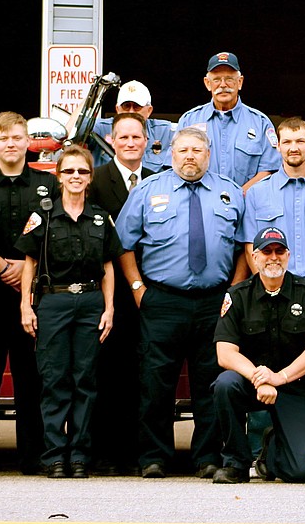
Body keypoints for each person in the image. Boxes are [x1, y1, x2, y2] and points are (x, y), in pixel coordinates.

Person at [116, 126, 245, 479]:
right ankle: (154, 457)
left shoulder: (229, 193)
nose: (190, 156)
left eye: (197, 151)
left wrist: (232, 293)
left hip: (213, 302)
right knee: (156, 383)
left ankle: (206, 457)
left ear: (208, 154)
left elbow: (243, 249)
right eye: (183, 150)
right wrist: (138, 289)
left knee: (209, 382)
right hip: (162, 300)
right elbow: (123, 245)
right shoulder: (147, 191)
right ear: (171, 154)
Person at [16, 146, 119, 478]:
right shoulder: (42, 215)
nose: (76, 177)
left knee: (85, 381)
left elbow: (108, 266)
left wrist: (110, 308)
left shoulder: (101, 218)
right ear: (59, 177)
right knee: (54, 380)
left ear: (90, 178)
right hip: (54, 303)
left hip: (90, 302)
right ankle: (54, 456)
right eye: (70, 171)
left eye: (83, 172)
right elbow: (29, 264)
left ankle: (79, 456)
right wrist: (26, 306)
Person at [211, 227, 305, 484]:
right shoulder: (237, 296)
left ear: (288, 255)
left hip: (295, 386)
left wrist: (279, 377)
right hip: (251, 384)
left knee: (299, 472)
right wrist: (259, 378)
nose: (273, 257)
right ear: (254, 257)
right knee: (225, 385)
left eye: (279, 251)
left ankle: (271, 449)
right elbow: (224, 352)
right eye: (266, 251)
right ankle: (236, 462)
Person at [0, 112, 56, 475]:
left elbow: (55, 234)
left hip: (32, 297)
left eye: (18, 137)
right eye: (3, 138)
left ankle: (33, 456)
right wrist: (5, 266)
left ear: (27, 142)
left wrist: (27, 268)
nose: (11, 144)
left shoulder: (47, 184)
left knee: (32, 378)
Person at [87, 111, 156, 475]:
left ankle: (135, 452)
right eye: (123, 137)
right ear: (112, 141)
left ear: (146, 142)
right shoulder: (96, 181)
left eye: (136, 137)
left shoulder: (160, 181)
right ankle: (105, 453)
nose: (130, 143)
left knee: (141, 373)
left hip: (150, 290)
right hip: (110, 290)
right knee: (108, 371)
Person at [241, 117, 305, 289]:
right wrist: (266, 287)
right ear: (278, 146)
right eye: (287, 142)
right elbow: (250, 247)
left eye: (300, 141)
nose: (294, 148)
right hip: (270, 290)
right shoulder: (256, 193)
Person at [178, 51, 280, 192]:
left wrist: (239, 196)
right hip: (199, 204)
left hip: (246, 207)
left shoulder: (260, 123)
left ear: (240, 82)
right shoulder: (189, 120)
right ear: (207, 84)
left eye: (229, 79)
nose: (223, 85)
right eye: (217, 79)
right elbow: (176, 166)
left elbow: (270, 170)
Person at [92, 80, 174, 171]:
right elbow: (74, 129)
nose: (131, 111)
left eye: (136, 106)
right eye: (126, 106)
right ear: (117, 109)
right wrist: (93, 94)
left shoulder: (166, 132)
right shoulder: (99, 128)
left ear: (149, 111)